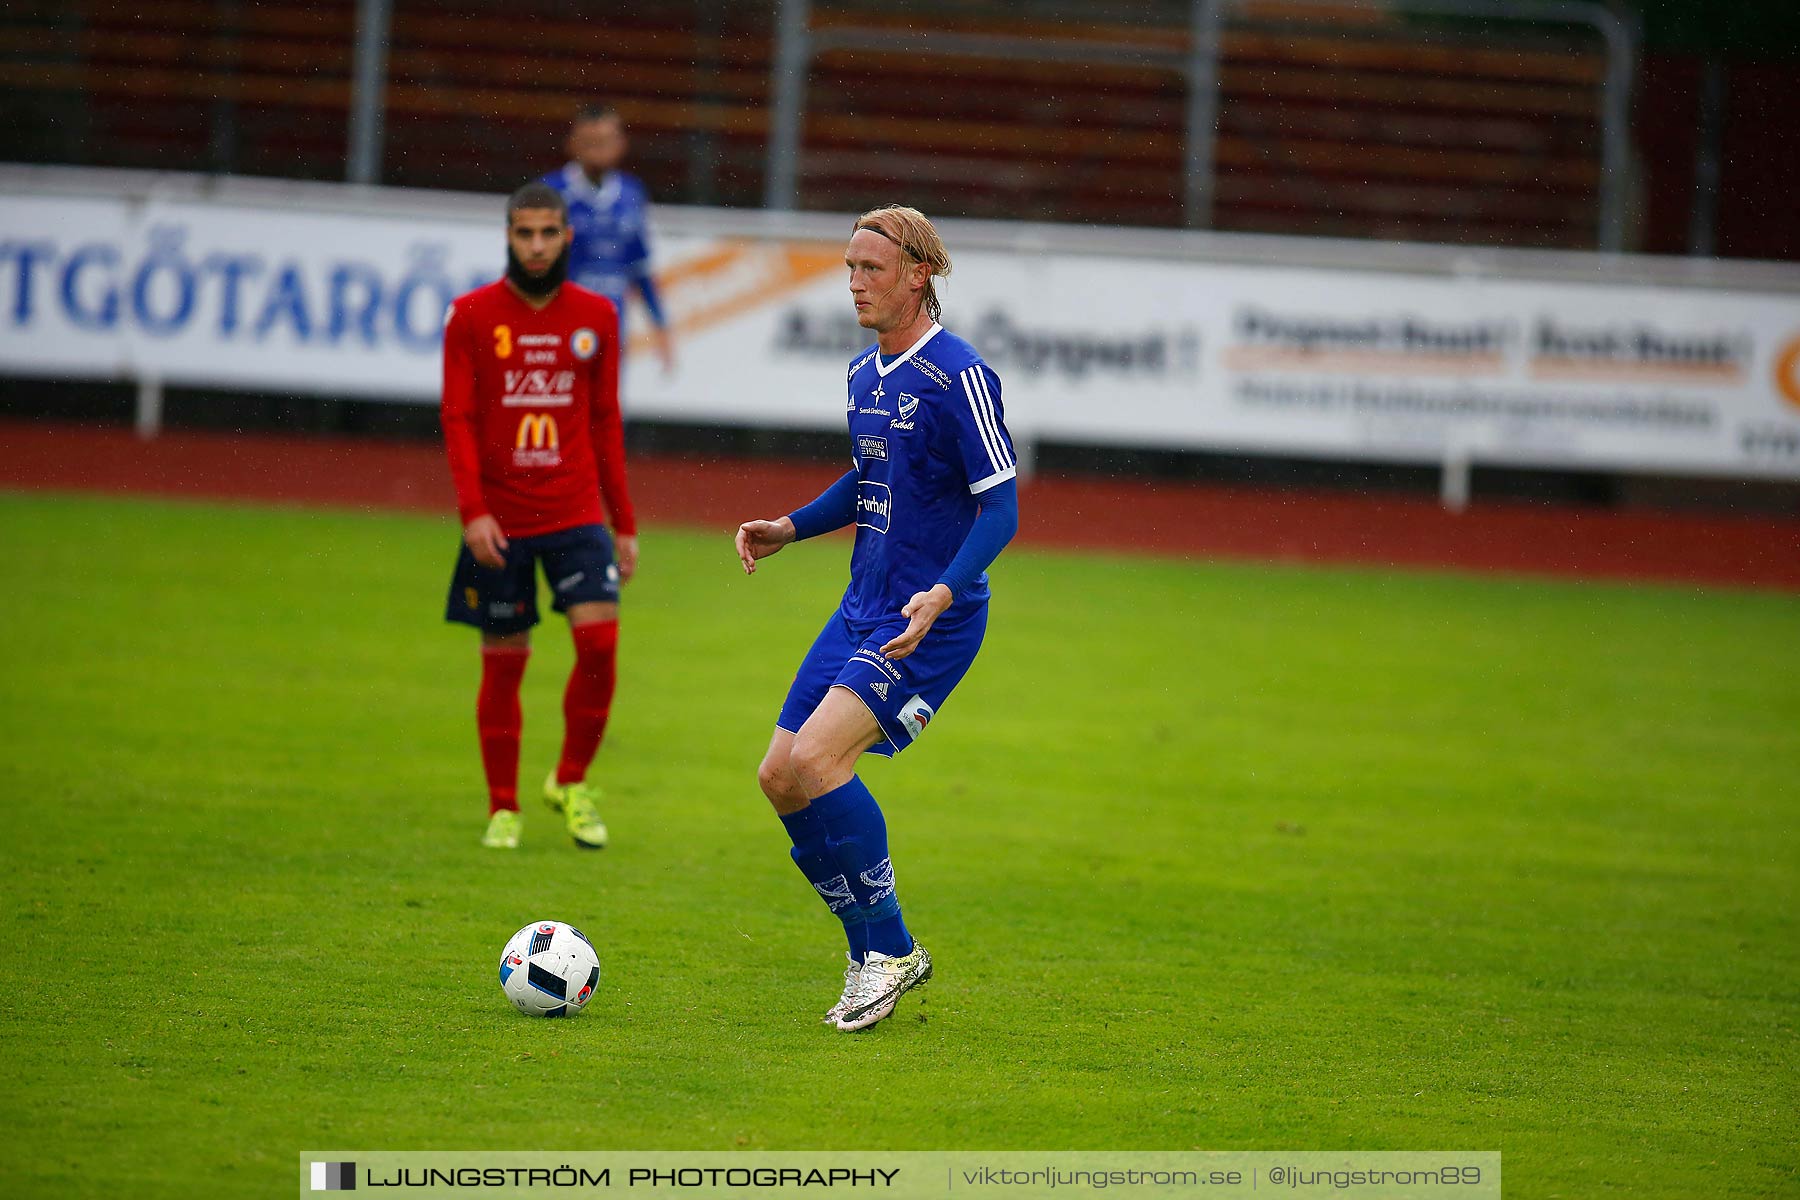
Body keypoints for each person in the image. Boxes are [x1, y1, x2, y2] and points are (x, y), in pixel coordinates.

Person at [735, 205, 1020, 1032]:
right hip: (860, 604)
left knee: (822, 758)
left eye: (872, 268)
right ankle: (873, 952)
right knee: (780, 775)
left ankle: (889, 949)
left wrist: (944, 588)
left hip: (928, 619)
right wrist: (790, 526)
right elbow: (867, 483)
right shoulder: (865, 373)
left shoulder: (958, 374)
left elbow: (999, 510)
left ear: (919, 273)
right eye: (849, 269)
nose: (855, 283)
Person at [441, 181, 639, 851]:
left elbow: (606, 421)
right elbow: (458, 418)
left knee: (601, 646)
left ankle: (570, 780)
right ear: (507, 235)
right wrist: (473, 512)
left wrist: (626, 522)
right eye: (523, 233)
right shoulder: (471, 315)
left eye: (546, 233)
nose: (534, 246)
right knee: (503, 665)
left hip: (577, 512)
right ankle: (504, 807)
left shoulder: (596, 316)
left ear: (567, 236)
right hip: (499, 521)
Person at [542, 105, 676, 374]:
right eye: (590, 142)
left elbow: (640, 269)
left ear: (620, 145)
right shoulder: (551, 192)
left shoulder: (631, 194)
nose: (597, 150)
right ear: (572, 145)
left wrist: (660, 326)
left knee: (607, 412)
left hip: (610, 332)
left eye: (604, 142)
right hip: (557, 331)